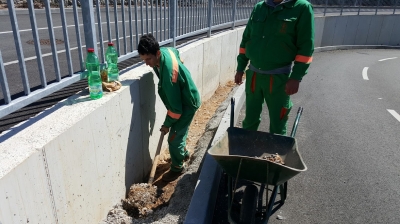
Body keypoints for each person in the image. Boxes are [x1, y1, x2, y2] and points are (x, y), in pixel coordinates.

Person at [234, 0, 314, 135]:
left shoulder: (302, 8)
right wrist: (240, 68)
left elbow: (306, 47)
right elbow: (246, 39)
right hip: (254, 76)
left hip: (279, 78)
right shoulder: (260, 7)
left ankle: (276, 153)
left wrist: (296, 77)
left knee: (278, 122)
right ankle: (246, 149)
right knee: (250, 120)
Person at [138, 34, 201, 182]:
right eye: (143, 60)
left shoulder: (168, 77)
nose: (147, 63)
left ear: (157, 53)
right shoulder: (166, 51)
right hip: (186, 97)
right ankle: (184, 153)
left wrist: (166, 126)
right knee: (180, 132)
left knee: (173, 139)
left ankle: (178, 167)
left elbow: (176, 111)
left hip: (187, 105)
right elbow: (176, 52)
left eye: (149, 59)